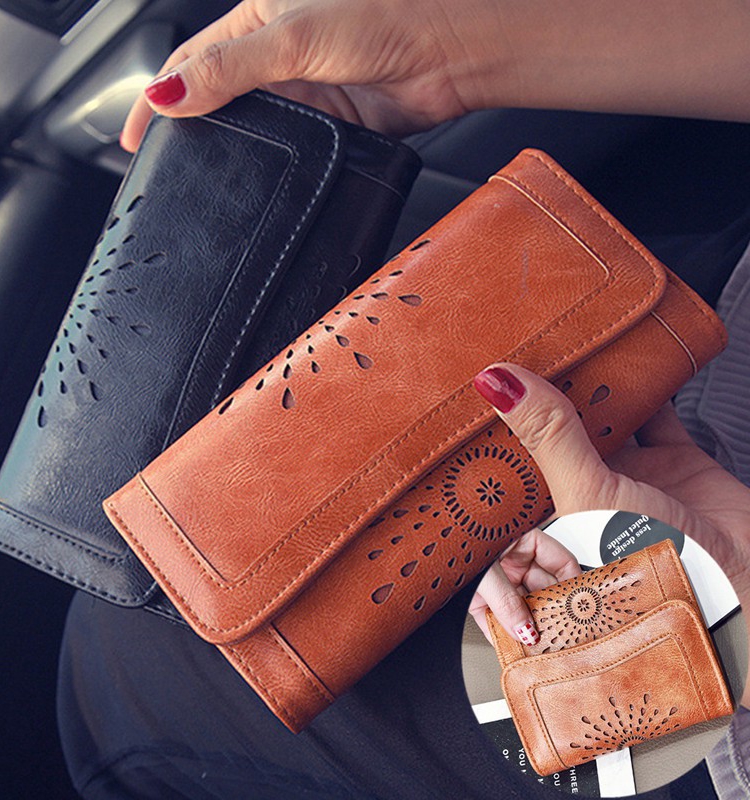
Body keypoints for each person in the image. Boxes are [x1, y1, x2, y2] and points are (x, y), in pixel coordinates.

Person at [59, 2, 750, 797]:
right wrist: (440, 48)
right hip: (693, 327)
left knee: (125, 663)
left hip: (716, 657)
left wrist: (735, 582)